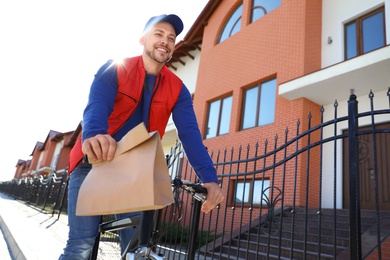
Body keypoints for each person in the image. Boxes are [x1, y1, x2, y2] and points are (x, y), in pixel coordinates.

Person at [59, 14, 224, 259]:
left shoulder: (177, 89)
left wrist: (209, 178)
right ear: (143, 39)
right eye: (158, 34)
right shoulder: (115, 68)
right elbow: (97, 105)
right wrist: (94, 134)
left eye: (171, 38)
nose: (165, 41)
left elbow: (190, 136)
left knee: (138, 249)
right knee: (81, 245)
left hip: (133, 171)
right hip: (92, 163)